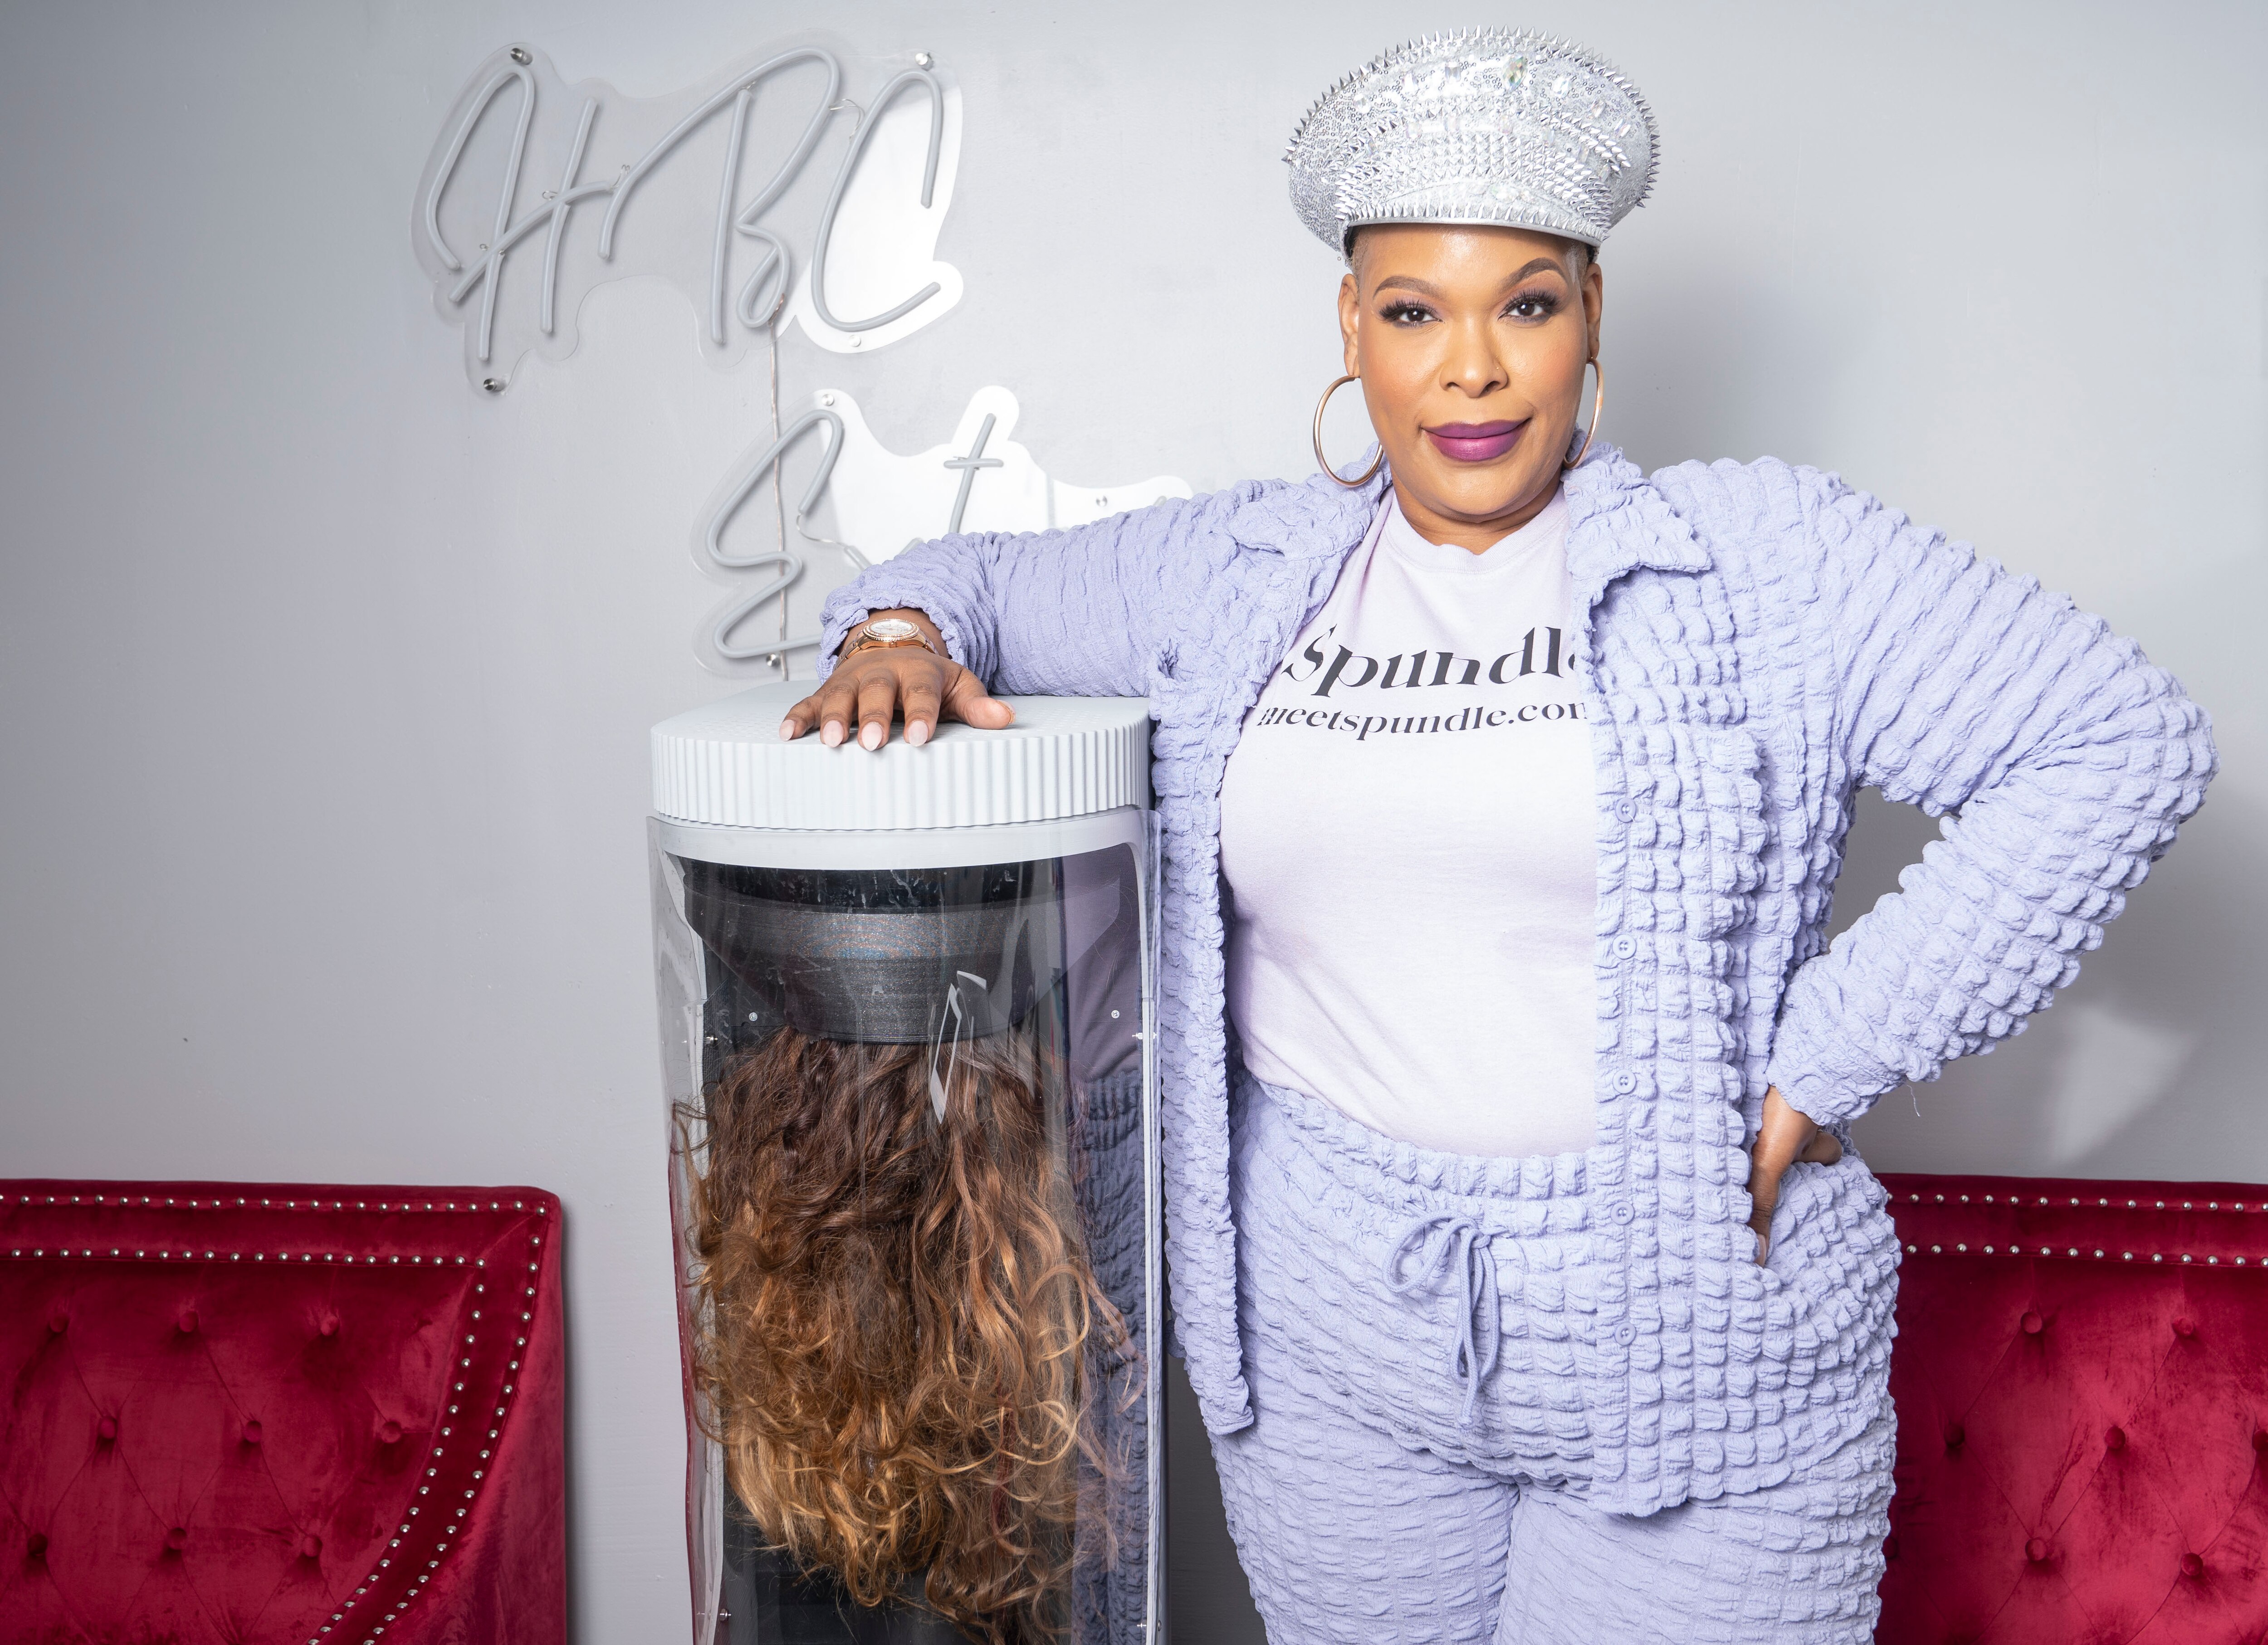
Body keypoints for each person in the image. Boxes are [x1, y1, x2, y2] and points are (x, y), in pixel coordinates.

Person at [780, 29, 2214, 1644]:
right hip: (1330, 1333)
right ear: (1354, 328)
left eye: (1526, 304)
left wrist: (1825, 1060)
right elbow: (956, 583)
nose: (1472, 369)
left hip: (1693, 1341)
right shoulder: (1235, 570)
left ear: (1592, 316)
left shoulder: (1764, 563)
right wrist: (892, 626)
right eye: (1415, 312)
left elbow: (2118, 740)